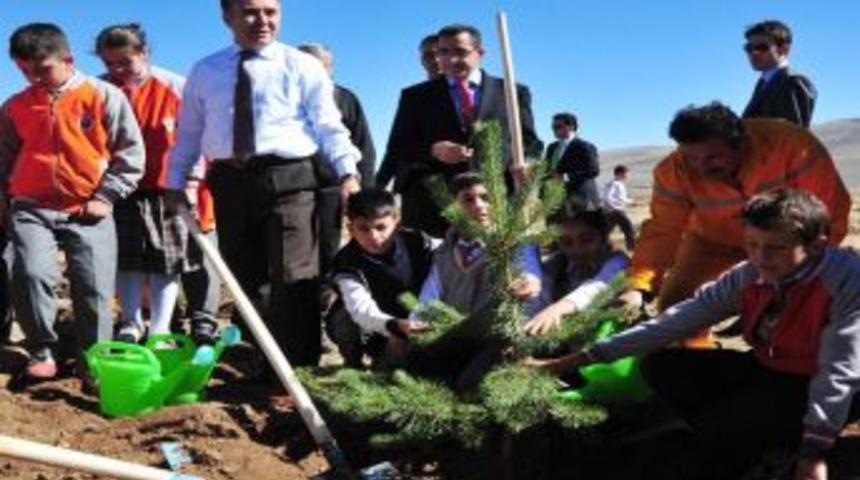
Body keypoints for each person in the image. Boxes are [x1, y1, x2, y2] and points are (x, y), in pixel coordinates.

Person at [531, 189, 860, 480]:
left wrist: (813, 456)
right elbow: (672, 323)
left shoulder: (845, 281)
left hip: (839, 384)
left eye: (777, 247)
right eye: (752, 245)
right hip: (772, 367)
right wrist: (574, 360)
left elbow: (839, 371)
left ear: (817, 246)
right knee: (662, 367)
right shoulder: (750, 275)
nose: (761, 257)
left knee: (718, 429)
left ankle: (780, 446)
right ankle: (751, 433)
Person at [167, 0, 361, 368]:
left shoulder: (302, 65)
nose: (263, 20)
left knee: (295, 276)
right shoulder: (205, 71)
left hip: (290, 180)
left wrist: (348, 174)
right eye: (251, 12)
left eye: (271, 11)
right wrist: (175, 183)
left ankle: (300, 367)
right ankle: (259, 361)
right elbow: (189, 134)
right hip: (229, 182)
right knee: (245, 275)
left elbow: (328, 126)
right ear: (229, 17)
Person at [618, 102, 849, 348]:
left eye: (713, 157)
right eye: (691, 157)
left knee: (799, 307)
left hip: (782, 245)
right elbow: (663, 229)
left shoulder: (791, 145)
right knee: (676, 305)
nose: (701, 166)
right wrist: (639, 287)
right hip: (711, 242)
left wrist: (802, 273)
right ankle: (696, 365)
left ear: (740, 143)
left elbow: (828, 212)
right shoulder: (673, 170)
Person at [0, 23, 144, 379]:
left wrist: (106, 195)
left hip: (88, 206)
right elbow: (3, 156)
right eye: (25, 71)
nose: (35, 77)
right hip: (31, 205)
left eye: (43, 68)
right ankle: (42, 349)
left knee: (93, 285)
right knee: (30, 273)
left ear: (68, 59)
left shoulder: (104, 96)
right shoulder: (16, 106)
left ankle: (93, 359)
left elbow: (131, 153)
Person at [377, 23, 542, 237]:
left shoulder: (511, 92)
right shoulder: (415, 97)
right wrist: (434, 150)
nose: (451, 60)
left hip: (496, 206)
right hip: (434, 209)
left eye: (460, 52)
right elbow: (398, 147)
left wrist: (527, 163)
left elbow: (530, 142)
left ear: (480, 53)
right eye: (444, 52)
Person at [95, 23, 201, 343]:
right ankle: (130, 321)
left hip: (166, 187)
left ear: (144, 53)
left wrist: (191, 183)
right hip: (117, 188)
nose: (117, 70)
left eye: (125, 62)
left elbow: (195, 138)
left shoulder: (176, 87)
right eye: (109, 64)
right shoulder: (99, 90)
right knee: (126, 259)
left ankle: (161, 326)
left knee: (164, 260)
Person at [411, 172, 541, 389]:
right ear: (452, 207)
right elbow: (430, 294)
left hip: (499, 338)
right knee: (420, 367)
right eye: (468, 199)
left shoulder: (512, 242)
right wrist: (416, 322)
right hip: (455, 334)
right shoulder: (443, 253)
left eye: (486, 198)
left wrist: (529, 280)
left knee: (468, 383)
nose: (480, 206)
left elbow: (528, 264)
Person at [297, 42, 376, 314]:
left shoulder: (345, 99)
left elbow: (364, 148)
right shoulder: (283, 98)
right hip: (291, 190)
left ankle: (326, 310)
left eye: (321, 66)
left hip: (332, 190)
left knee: (327, 252)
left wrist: (363, 196)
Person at [327, 189, 436, 367]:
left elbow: (452, 254)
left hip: (419, 315)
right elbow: (360, 308)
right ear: (351, 229)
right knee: (343, 317)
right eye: (363, 229)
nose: (374, 237)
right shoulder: (347, 263)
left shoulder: (419, 242)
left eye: (381, 227)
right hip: (375, 324)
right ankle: (354, 362)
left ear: (397, 222)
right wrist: (394, 327)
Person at [523, 209, 629, 336]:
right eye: (566, 242)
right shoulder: (557, 264)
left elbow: (598, 287)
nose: (577, 249)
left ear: (603, 236)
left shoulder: (618, 261)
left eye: (586, 240)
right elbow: (538, 295)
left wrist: (557, 309)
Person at [742, 20, 816, 127]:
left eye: (761, 47)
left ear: (783, 49)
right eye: (749, 48)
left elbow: (792, 136)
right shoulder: (763, 83)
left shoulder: (792, 82)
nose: (753, 52)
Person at [546, 112, 600, 210]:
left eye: (557, 127)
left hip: (581, 200)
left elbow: (593, 171)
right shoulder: (551, 148)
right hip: (554, 201)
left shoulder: (585, 147)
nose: (554, 130)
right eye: (552, 127)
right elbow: (547, 170)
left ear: (570, 127)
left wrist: (565, 177)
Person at [601, 164, 636, 251]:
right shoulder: (614, 184)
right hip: (616, 212)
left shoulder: (619, 184)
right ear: (620, 173)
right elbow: (607, 197)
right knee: (629, 229)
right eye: (626, 173)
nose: (627, 176)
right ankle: (632, 249)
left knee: (606, 231)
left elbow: (621, 199)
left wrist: (631, 202)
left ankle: (601, 249)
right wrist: (614, 207)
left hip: (613, 211)